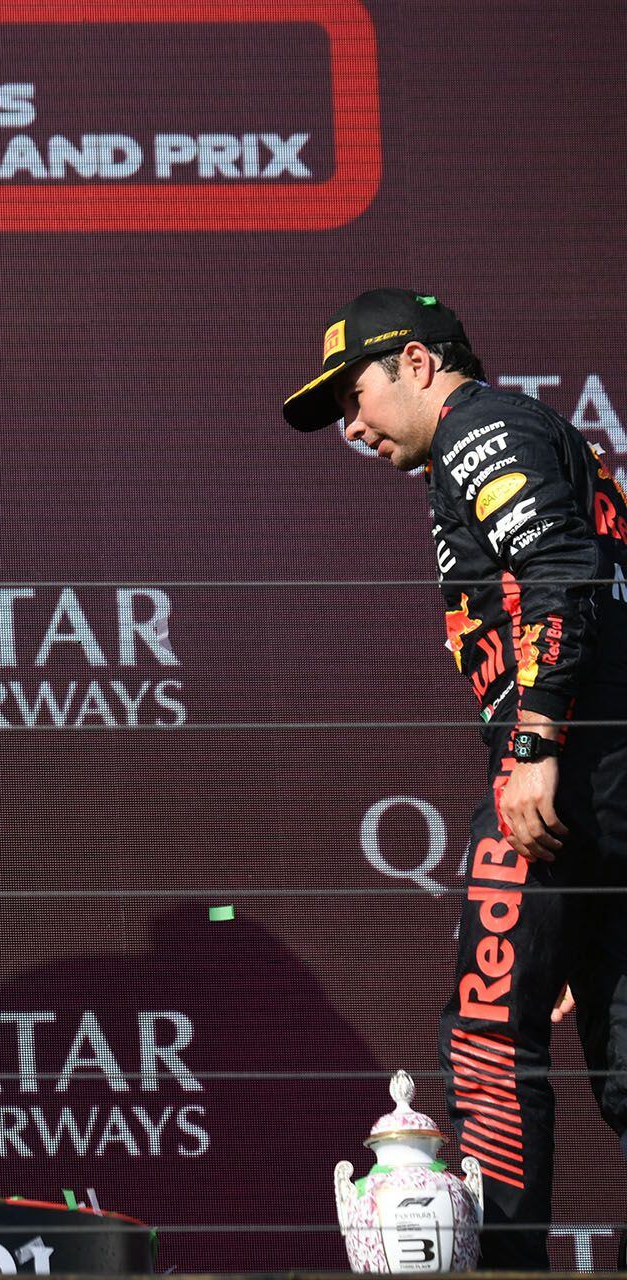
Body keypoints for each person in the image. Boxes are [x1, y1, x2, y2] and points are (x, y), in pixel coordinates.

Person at [285, 288, 627, 1268]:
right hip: (608, 775)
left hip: (576, 764)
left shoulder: (482, 429)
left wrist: (535, 743)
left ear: (422, 365)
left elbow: (559, 567)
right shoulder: (517, 435)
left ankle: (506, 1262)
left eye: (354, 393)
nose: (349, 424)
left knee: (487, 1026)